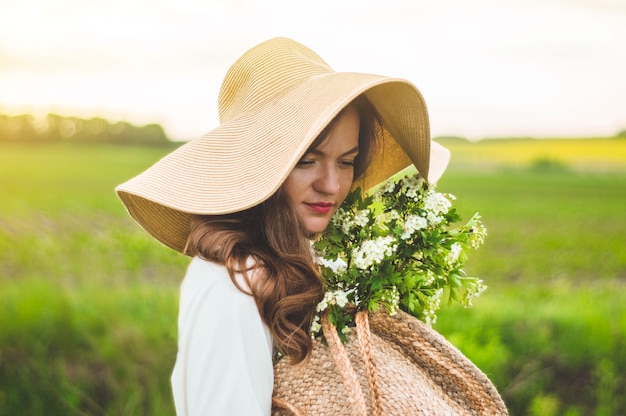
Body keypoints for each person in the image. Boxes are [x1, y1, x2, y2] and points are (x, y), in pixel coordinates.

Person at [116, 37, 450, 415]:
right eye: (307, 161)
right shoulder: (232, 283)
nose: (333, 185)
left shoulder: (299, 260)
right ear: (260, 165)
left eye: (346, 161)